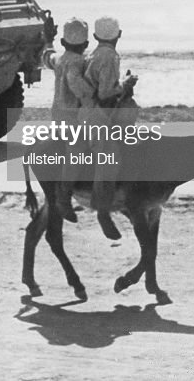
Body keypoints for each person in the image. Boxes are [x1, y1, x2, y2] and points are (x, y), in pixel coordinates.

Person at [81, 16, 138, 240]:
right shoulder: (110, 56)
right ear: (119, 35)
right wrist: (125, 84)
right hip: (96, 116)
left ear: (95, 37)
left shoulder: (94, 54)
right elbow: (105, 93)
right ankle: (103, 211)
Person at [42, 18, 94, 224]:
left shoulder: (60, 59)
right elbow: (77, 84)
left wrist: (48, 40)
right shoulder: (79, 63)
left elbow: (47, 57)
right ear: (86, 45)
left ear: (63, 43)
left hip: (58, 116)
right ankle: (63, 197)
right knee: (77, 152)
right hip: (73, 119)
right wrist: (92, 92)